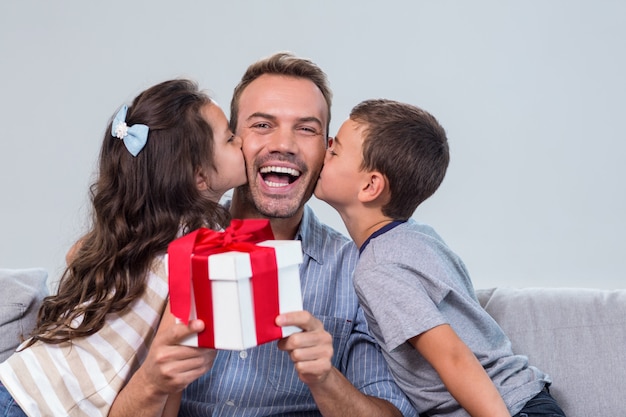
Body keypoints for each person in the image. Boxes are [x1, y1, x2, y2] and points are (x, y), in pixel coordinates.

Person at [179, 53, 416, 416]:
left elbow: (392, 411)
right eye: (262, 125)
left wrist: (326, 378)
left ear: (327, 150)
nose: (284, 144)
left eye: (306, 129)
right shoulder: (171, 245)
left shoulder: (358, 270)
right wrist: (154, 378)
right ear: (231, 141)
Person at [0, 79, 246, 417]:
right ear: (200, 177)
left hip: (17, 380)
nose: (243, 142)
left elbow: (77, 254)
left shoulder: (144, 227)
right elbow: (171, 367)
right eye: (231, 138)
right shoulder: (200, 246)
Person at [314, 98, 567, 416]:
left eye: (335, 151)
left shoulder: (379, 268)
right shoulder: (417, 236)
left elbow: (453, 356)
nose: (323, 150)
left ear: (370, 185)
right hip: (528, 398)